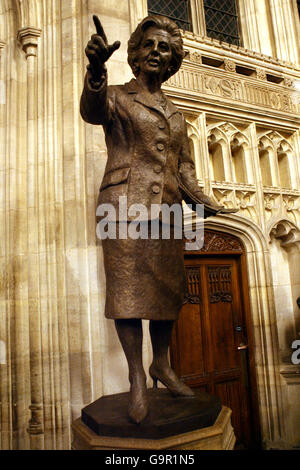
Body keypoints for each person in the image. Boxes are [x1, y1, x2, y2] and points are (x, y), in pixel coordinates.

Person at [80, 14, 233, 424]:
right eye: (148, 45)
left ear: (172, 62)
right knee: (128, 294)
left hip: (166, 211)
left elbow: (184, 169)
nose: (155, 52)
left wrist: (205, 202)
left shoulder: (178, 116)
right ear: (135, 53)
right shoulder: (116, 96)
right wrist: (95, 70)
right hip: (123, 207)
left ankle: (161, 366)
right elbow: (91, 110)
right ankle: (135, 376)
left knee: (166, 293)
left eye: (164, 49)